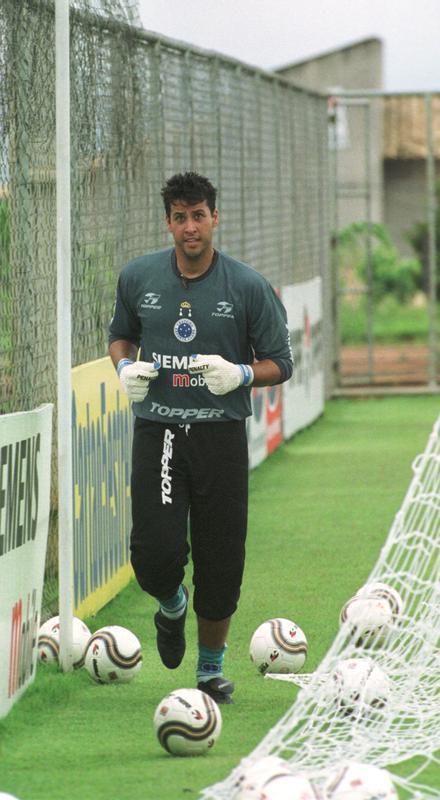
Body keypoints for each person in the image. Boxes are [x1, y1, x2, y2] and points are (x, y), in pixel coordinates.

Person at [108, 171, 293, 704]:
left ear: (215, 217)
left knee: (221, 559)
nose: (190, 227)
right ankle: (171, 604)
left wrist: (240, 373)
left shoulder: (247, 286)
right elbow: (120, 337)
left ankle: (210, 670)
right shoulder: (138, 277)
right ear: (167, 222)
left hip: (221, 437)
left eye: (198, 216)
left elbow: (281, 362)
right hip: (160, 430)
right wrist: (124, 368)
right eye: (180, 217)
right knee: (153, 553)